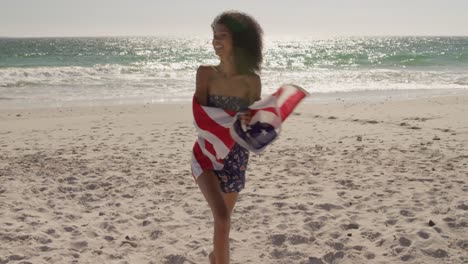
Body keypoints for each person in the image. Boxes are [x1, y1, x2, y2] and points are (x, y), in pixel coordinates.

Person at [193, 11, 263, 264]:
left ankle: (215, 258)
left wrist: (250, 120)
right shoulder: (205, 74)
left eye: (223, 35)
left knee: (223, 225)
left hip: (236, 158)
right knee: (222, 218)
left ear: (240, 41)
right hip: (207, 154)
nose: (216, 40)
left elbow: (254, 125)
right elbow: (201, 119)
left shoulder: (251, 82)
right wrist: (234, 118)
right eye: (214, 35)